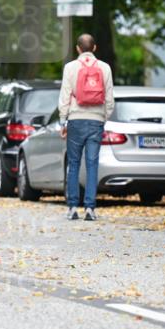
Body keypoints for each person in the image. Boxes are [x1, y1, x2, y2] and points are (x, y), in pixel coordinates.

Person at [57, 33, 114, 221]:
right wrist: (102, 118)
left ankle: (73, 207)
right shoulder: (105, 68)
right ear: (95, 48)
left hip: (75, 120)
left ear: (78, 49)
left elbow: (65, 96)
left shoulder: (70, 67)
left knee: (73, 164)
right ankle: (90, 209)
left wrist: (63, 121)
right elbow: (110, 100)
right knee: (92, 164)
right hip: (96, 121)